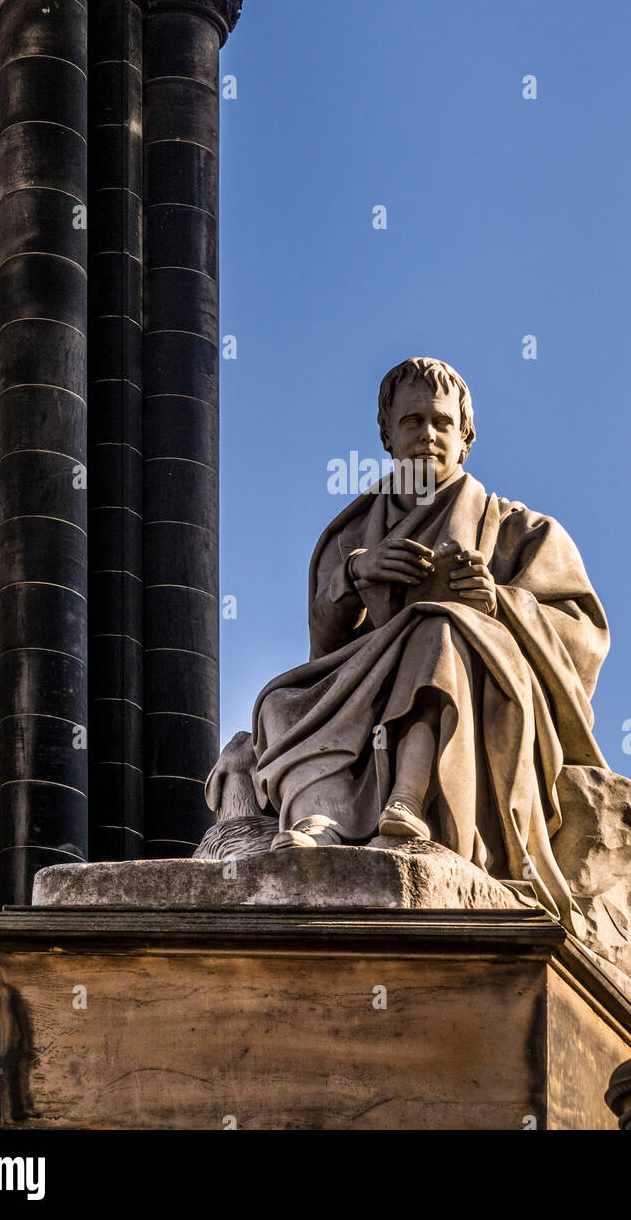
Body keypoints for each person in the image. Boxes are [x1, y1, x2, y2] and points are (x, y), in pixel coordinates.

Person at [251, 357, 610, 931]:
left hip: (472, 677)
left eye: (442, 423)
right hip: (366, 681)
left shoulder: (522, 529)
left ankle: (410, 800)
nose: (427, 435)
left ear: (465, 439)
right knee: (278, 703)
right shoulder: (352, 535)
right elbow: (324, 651)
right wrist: (356, 577)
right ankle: (322, 814)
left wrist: (499, 604)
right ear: (387, 436)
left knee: (438, 627)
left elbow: (583, 638)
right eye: (412, 421)